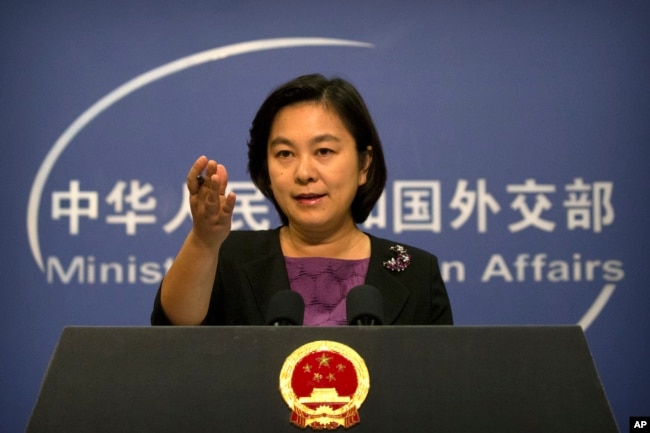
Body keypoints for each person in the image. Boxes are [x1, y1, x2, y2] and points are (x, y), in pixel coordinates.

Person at [151, 73, 452, 326]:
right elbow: (174, 331)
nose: (304, 172)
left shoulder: (416, 273)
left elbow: (438, 386)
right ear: (266, 170)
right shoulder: (227, 257)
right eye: (284, 154)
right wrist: (204, 241)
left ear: (364, 165)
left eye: (324, 151)